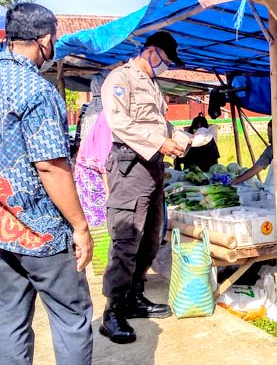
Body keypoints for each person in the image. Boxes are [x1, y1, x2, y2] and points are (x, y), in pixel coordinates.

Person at [0, 3, 94, 365]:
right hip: (41, 229)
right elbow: (51, 168)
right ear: (46, 40)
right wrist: (80, 227)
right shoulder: (38, 91)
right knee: (72, 317)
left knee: (11, 319)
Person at [100, 30, 186, 343]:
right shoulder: (120, 79)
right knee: (126, 240)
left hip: (152, 168)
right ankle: (113, 311)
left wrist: (178, 138)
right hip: (129, 166)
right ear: (150, 52)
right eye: (164, 60)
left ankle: (135, 296)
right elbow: (120, 123)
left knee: (150, 237)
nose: (165, 66)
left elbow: (158, 125)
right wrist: (159, 142)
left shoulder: (152, 83)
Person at [75, 111, 112, 228]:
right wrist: (109, 193)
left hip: (98, 168)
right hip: (92, 174)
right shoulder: (109, 116)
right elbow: (104, 160)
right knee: (101, 224)